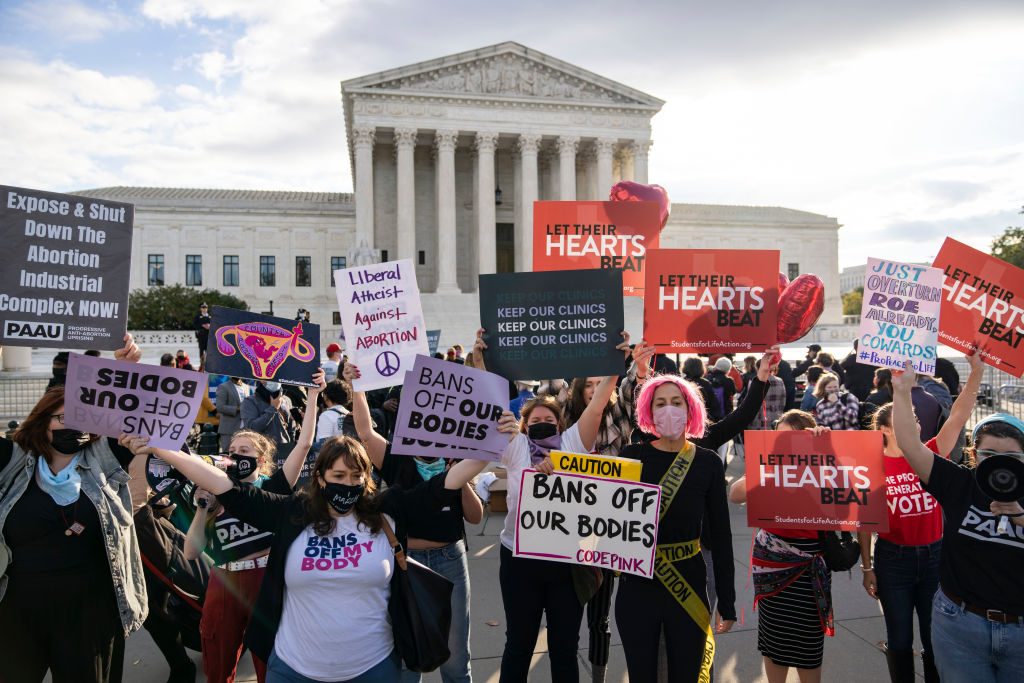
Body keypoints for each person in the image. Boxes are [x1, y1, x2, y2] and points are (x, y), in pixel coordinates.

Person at [146, 424, 498, 683]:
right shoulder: (295, 512)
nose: (347, 484)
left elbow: (448, 482)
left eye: (356, 476)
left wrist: (496, 439)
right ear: (321, 477)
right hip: (294, 669)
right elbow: (225, 486)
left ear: (367, 479)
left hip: (374, 669)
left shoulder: (387, 510)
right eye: (338, 475)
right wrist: (160, 449)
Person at [0, 335, 149, 683]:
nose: (72, 426)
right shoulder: (13, 462)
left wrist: (128, 370)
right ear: (42, 421)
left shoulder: (106, 459)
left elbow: (138, 412)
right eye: (61, 418)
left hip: (89, 616)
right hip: (18, 613)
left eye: (81, 417)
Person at [345, 361, 483, 683]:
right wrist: (357, 385)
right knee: (409, 654)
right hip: (406, 562)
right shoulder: (395, 458)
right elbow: (365, 432)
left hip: (450, 559)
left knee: (456, 658)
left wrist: (457, 475)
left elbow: (475, 517)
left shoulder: (455, 464)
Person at [185, 370, 323, 683]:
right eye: (232, 450)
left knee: (270, 662)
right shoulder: (217, 491)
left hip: (268, 579)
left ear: (261, 460)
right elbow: (192, 551)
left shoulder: (274, 486)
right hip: (226, 582)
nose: (236, 454)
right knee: (218, 664)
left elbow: (303, 445)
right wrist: (203, 508)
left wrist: (312, 397)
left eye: (245, 450)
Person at [892, 359, 1024, 682]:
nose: (999, 464)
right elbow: (910, 445)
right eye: (988, 455)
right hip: (960, 627)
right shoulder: (960, 484)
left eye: (1011, 457)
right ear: (973, 454)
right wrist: (901, 390)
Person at [855, 353, 981, 682]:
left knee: (933, 638)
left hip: (935, 557)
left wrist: (976, 372)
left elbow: (958, 414)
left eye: (913, 415)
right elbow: (863, 521)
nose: (916, 421)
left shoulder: (931, 454)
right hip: (892, 560)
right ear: (884, 429)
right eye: (905, 416)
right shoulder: (871, 465)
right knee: (899, 638)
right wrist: (867, 567)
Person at [492, 366, 618, 682]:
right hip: (519, 562)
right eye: (535, 421)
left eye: (549, 420)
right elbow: (488, 405)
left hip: (565, 564)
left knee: (564, 646)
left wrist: (614, 364)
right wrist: (483, 360)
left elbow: (598, 404)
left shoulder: (574, 442)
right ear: (523, 425)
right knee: (519, 644)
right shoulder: (515, 446)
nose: (542, 424)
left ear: (560, 425)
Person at [615, 374, 735, 682]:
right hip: (638, 585)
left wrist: (728, 600)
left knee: (687, 674)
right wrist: (549, 472)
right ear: (648, 411)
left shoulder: (707, 462)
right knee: (643, 675)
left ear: (690, 409)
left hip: (689, 581)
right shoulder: (631, 457)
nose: (669, 410)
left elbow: (721, 535)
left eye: (676, 402)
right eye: (660, 403)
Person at [729, 410, 832, 683]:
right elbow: (736, 494)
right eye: (781, 436)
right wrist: (768, 466)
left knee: (809, 646)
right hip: (773, 570)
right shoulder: (769, 467)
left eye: (794, 437)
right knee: (776, 646)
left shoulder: (823, 465)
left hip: (809, 570)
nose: (787, 442)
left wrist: (825, 448)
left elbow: (849, 503)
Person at [241, 381, 295, 449]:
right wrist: (273, 409)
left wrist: (292, 446)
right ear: (261, 380)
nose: (275, 381)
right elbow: (252, 429)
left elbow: (291, 429)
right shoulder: (250, 401)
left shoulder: (286, 400)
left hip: (284, 450)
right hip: (262, 450)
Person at [683, 356, 723, 422]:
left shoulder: (682, 383)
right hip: (703, 421)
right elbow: (714, 406)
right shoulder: (706, 384)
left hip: (686, 421)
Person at [217, 377, 251, 452]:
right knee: (227, 454)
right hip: (229, 429)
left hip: (244, 428)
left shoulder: (246, 387)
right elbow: (220, 407)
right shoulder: (223, 387)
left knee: (242, 454)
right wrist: (238, 409)